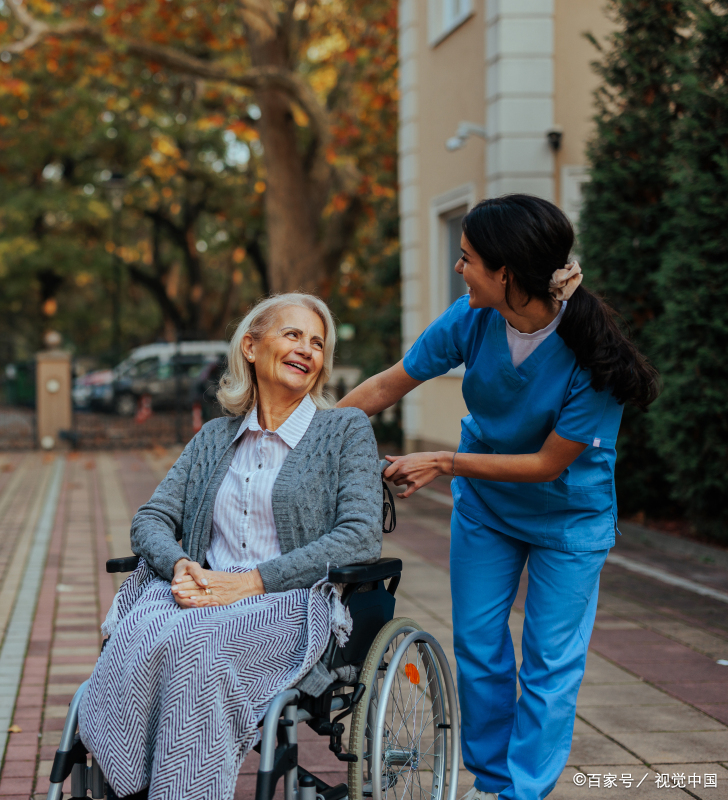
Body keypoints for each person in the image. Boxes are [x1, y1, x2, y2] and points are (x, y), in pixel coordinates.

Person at [337, 195, 659, 800]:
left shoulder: (593, 355)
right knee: (479, 649)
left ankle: (523, 791)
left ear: (506, 272)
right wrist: (303, 437)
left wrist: (444, 461)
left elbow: (546, 464)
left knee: (548, 667)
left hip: (569, 516)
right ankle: (492, 783)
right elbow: (389, 383)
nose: (459, 269)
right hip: (487, 508)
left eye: (467, 259)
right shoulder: (472, 319)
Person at [77, 293, 383, 800]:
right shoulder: (213, 437)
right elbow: (152, 518)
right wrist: (178, 563)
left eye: (317, 343)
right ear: (249, 346)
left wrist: (251, 582)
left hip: (289, 601)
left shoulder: (344, 430)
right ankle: (132, 780)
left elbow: (359, 536)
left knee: (197, 648)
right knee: (141, 636)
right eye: (293, 335)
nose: (308, 349)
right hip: (204, 589)